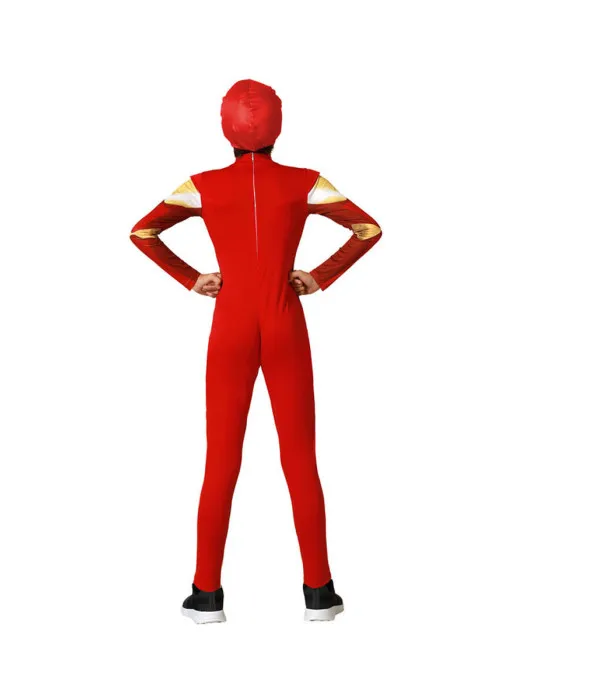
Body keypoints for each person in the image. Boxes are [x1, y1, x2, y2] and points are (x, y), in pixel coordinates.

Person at [129, 78, 383, 623]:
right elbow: (367, 229)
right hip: (285, 320)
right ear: (277, 126)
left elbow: (143, 233)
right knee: (301, 460)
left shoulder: (201, 186)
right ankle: (320, 594)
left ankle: (206, 595)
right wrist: (319, 276)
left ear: (226, 126)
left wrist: (192, 278)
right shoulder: (306, 182)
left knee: (221, 460)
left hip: (231, 326)